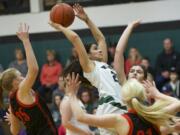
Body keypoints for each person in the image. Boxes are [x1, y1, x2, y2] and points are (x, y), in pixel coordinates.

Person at [49, 4, 126, 135]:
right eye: (95, 49)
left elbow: (101, 38)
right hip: (110, 107)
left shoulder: (103, 64)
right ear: (88, 55)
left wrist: (87, 20)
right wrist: (60, 27)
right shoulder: (89, 67)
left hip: (118, 107)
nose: (100, 50)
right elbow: (75, 38)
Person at [67, 73, 180, 135]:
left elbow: (80, 117)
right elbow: (177, 103)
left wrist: (72, 94)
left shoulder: (120, 120)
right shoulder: (154, 114)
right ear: (143, 96)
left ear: (123, 99)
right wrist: (158, 94)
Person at [1, 23, 58, 135]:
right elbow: (34, 70)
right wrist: (26, 41)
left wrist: (13, 121)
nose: (23, 77)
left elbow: (15, 131)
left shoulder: (12, 101)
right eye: (20, 76)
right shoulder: (22, 90)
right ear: (15, 82)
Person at [60, 64, 92, 135]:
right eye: (68, 79)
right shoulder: (67, 101)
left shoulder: (76, 99)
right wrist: (84, 133)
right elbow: (65, 123)